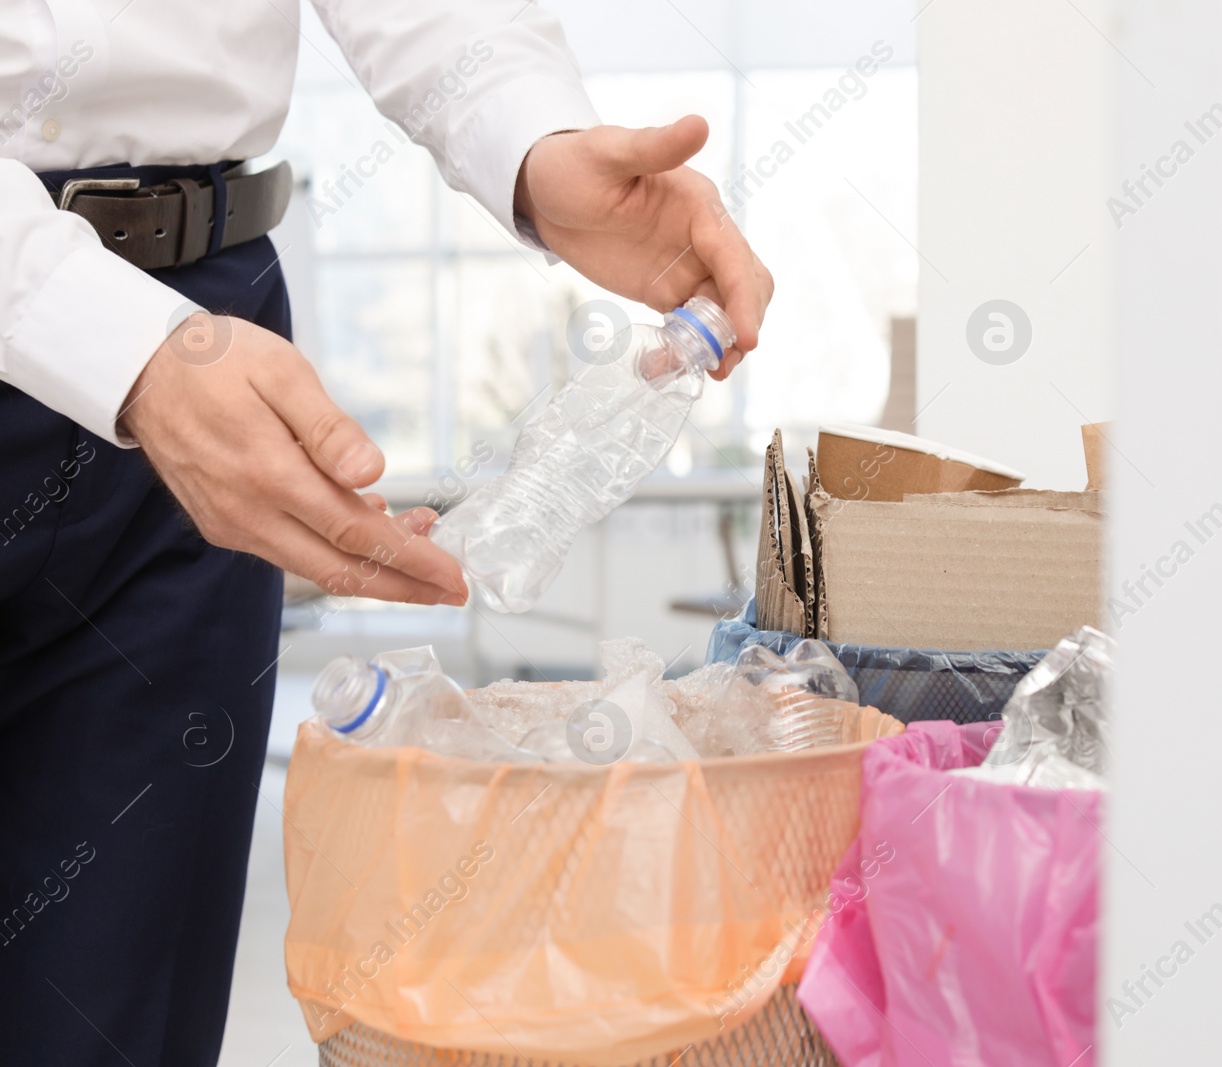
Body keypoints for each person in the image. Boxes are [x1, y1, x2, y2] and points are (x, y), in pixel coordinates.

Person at [0, 3, 772, 1063]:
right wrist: (105, 337)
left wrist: (531, 144)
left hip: (210, 320)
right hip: (130, 331)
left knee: (115, 1009)